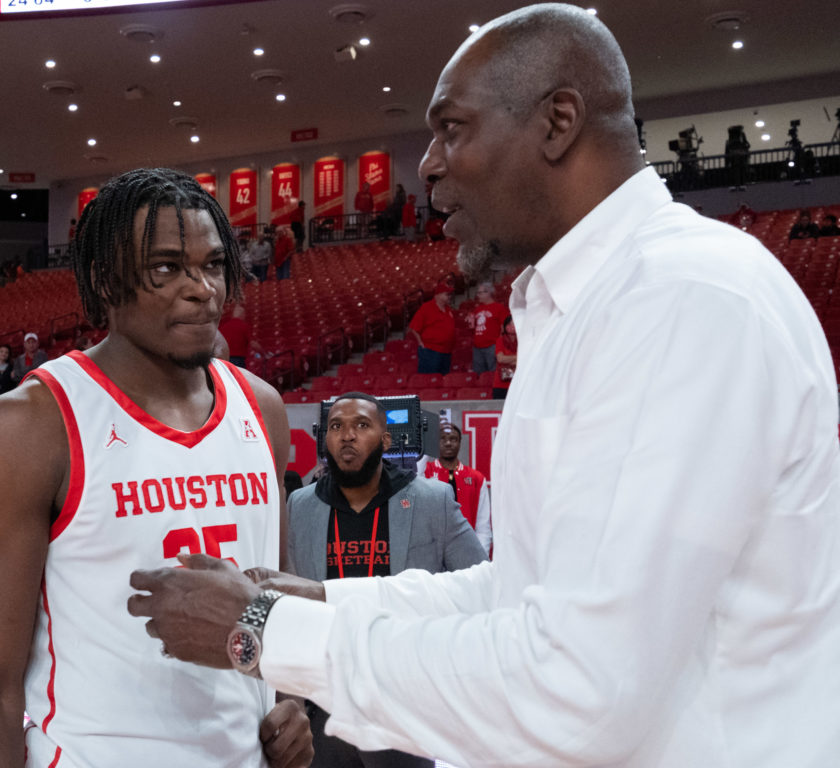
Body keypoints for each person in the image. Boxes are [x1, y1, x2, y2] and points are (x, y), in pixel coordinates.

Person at [127, 7, 840, 768]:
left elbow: (577, 688)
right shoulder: (583, 304)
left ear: (558, 122)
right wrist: (314, 598)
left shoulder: (683, 298)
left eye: (452, 129)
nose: (428, 164)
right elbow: (527, 592)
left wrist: (265, 632)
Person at [0, 168, 312, 768]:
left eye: (214, 264)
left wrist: (293, 696)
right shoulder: (30, 425)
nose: (202, 289)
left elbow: (275, 588)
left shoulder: (262, 408)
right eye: (164, 268)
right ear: (103, 280)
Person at [287, 393, 485, 768]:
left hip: (401, 702)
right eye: (336, 426)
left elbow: (477, 583)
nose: (347, 435)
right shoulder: (300, 505)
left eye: (362, 425)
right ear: (325, 440)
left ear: (386, 440)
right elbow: (292, 604)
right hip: (325, 701)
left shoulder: (432, 500)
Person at [420, 423, 491, 553]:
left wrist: (481, 558)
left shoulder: (476, 478)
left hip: (466, 550)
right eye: (442, 438)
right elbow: (413, 476)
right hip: (432, 550)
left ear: (459, 443)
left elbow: (483, 527)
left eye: (453, 439)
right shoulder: (425, 472)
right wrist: (428, 441)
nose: (448, 443)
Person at [407, 283, 456, 374]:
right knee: (429, 379)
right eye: (447, 294)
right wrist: (421, 343)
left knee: (443, 381)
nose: (449, 296)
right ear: (438, 295)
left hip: (446, 351)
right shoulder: (427, 308)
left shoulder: (448, 309)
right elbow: (414, 327)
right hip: (431, 351)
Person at [466, 282, 507, 373]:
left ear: (488, 293)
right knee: (479, 376)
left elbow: (504, 327)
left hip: (492, 346)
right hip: (478, 347)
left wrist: (499, 345)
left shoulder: (499, 308)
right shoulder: (478, 309)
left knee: (494, 374)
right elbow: (473, 328)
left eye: (480, 293)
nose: (478, 295)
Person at [491, 315, 518, 398]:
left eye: (514, 324)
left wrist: (507, 359)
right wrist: (517, 357)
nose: (511, 326)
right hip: (500, 385)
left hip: (517, 384)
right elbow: (500, 359)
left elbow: (526, 360)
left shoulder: (522, 340)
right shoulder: (500, 340)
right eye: (509, 324)